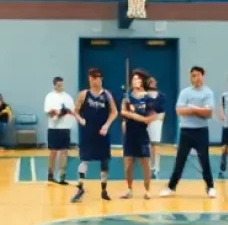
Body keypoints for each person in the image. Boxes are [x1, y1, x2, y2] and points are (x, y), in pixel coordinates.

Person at [160, 66, 216, 199]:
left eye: (198, 75)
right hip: (186, 131)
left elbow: (207, 113)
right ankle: (171, 187)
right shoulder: (185, 92)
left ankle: (210, 187)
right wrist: (198, 110)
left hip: (201, 131)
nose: (196, 78)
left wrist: (191, 108)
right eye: (193, 76)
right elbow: (179, 111)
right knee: (180, 160)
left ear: (203, 76)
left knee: (204, 160)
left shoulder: (208, 93)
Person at [72, 68, 117, 203]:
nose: (93, 81)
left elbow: (114, 112)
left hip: (102, 132)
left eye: (96, 78)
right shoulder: (83, 95)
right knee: (84, 159)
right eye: (91, 78)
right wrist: (80, 120)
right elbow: (75, 111)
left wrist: (106, 125)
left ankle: (104, 190)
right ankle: (80, 187)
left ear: (100, 79)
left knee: (104, 161)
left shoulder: (107, 95)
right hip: (88, 131)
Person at [121, 70, 156, 199]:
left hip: (142, 134)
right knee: (128, 164)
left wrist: (135, 116)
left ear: (142, 82)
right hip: (129, 135)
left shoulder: (148, 98)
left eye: (138, 79)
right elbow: (122, 112)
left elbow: (151, 117)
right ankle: (129, 189)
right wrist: (133, 115)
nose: (136, 81)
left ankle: (147, 190)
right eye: (134, 79)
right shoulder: (127, 97)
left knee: (145, 163)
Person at [45, 76, 76, 185]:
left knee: (64, 151)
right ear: (54, 85)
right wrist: (59, 113)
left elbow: (73, 111)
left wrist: (67, 113)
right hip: (54, 127)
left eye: (62, 85)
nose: (61, 87)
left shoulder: (68, 97)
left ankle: (62, 176)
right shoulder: (50, 97)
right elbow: (49, 111)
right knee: (53, 151)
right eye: (58, 85)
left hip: (65, 127)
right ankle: (51, 174)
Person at [146, 76, 167, 178]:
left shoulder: (161, 96)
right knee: (147, 145)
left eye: (154, 81)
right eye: (150, 82)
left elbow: (163, 112)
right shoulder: (144, 96)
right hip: (146, 121)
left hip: (157, 121)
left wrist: (156, 118)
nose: (152, 83)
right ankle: (148, 166)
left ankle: (155, 168)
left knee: (155, 145)